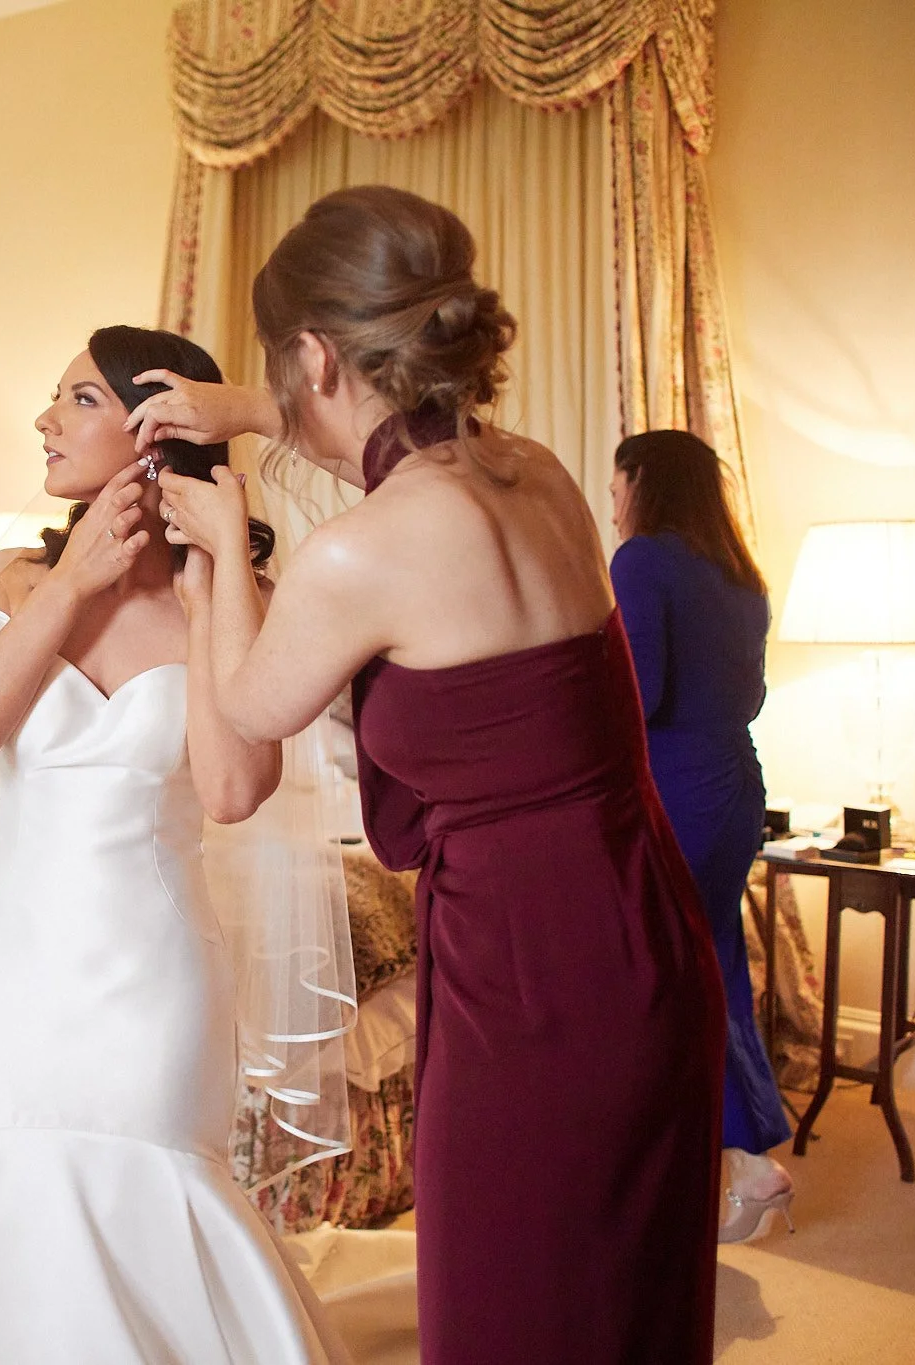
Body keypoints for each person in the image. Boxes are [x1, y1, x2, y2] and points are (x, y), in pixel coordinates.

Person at [145, 185, 726, 1365]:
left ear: (314, 353)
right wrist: (259, 402)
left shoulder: (361, 549)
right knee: (617, 1295)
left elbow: (247, 719)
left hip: (530, 968)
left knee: (509, 1298)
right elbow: (365, 404)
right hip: (644, 933)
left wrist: (219, 548)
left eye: (284, 371)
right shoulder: (539, 474)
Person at [0, 326, 351, 1364]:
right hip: (10, 966)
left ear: (155, 428)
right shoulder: (12, 578)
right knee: (1, 1185)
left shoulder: (218, 588)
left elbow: (230, 788)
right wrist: (73, 582)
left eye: (74, 399)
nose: (44, 419)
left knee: (155, 1185)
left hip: (155, 972)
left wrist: (217, 586)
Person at [611, 429, 794, 1241]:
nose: (612, 502)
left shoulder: (643, 560)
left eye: (616, 484)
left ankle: (687, 1167)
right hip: (734, 782)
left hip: (676, 789)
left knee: (654, 975)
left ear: (643, 481)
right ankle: (743, 1162)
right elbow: (750, 694)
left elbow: (636, 696)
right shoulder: (738, 572)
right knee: (711, 962)